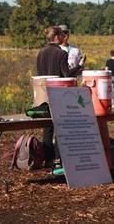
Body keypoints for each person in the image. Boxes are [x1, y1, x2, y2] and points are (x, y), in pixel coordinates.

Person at [36, 26, 85, 172]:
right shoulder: (61, 53)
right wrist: (79, 67)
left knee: (47, 127)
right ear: (57, 38)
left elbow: (40, 74)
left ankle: (48, 159)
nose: (64, 37)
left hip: (43, 94)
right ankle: (59, 159)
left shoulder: (41, 52)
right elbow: (66, 74)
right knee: (60, 127)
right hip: (58, 93)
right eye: (62, 35)